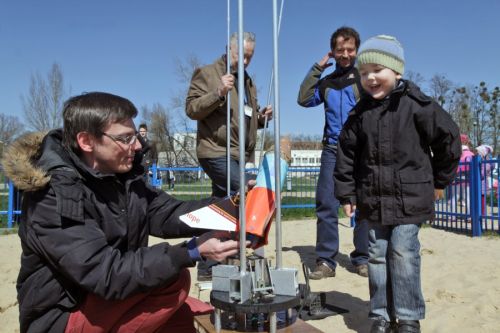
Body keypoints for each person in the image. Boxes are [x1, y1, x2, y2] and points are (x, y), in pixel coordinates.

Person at [2, 92, 243, 333]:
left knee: (180, 316)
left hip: (106, 297)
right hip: (61, 317)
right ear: (86, 141)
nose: (137, 145)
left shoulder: (121, 179)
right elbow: (105, 272)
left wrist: (234, 207)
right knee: (174, 280)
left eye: (135, 135)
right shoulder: (54, 194)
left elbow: (170, 212)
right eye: (125, 138)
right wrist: (191, 251)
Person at [334, 35, 461, 333]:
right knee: (377, 255)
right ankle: (379, 315)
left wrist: (440, 179)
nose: (370, 78)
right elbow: (346, 156)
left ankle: (407, 317)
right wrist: (347, 194)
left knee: (403, 252)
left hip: (410, 197)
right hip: (373, 199)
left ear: (397, 71)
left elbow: (449, 139)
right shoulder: (359, 114)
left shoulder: (418, 106)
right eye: (364, 73)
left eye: (378, 69)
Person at [186, 31, 272, 280]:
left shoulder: (247, 82)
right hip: (215, 150)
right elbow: (191, 109)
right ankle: (250, 249)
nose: (246, 61)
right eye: (242, 55)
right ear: (229, 49)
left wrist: (261, 117)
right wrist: (218, 92)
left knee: (221, 206)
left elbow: (244, 117)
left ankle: (209, 264)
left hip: (238, 153)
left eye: (250, 57)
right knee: (245, 192)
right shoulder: (207, 73)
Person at [297, 26, 369, 279]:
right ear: (334, 52)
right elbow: (304, 99)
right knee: (326, 203)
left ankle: (362, 258)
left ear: (357, 51)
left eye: (350, 50)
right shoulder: (326, 83)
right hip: (331, 149)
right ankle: (326, 261)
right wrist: (319, 66)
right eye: (340, 50)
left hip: (360, 150)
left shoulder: (363, 78)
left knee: (363, 204)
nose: (345, 54)